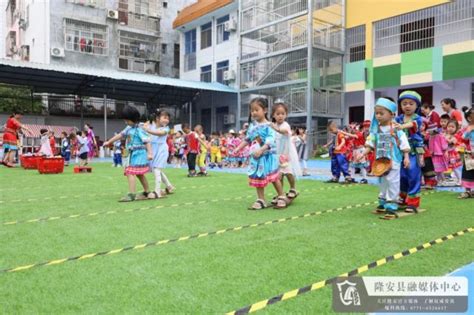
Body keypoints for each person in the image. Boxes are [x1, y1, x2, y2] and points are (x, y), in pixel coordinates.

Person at [233, 97, 287, 210]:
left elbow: (270, 140)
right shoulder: (252, 126)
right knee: (258, 177)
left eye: (256, 110)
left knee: (274, 177)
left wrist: (261, 150)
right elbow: (247, 139)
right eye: (252, 110)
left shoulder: (270, 125)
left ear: (265, 110)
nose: (254, 112)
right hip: (256, 157)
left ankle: (281, 196)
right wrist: (238, 148)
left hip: (268, 155)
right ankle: (261, 199)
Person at [362, 97, 410, 217]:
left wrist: (406, 157)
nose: (378, 116)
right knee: (382, 181)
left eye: (381, 113)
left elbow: (404, 143)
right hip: (380, 161)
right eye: (377, 113)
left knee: (392, 181)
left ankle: (392, 203)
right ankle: (382, 201)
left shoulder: (396, 129)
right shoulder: (375, 130)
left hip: (394, 160)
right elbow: (371, 144)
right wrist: (362, 153)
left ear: (392, 114)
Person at [103, 106, 152, 202]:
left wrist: (150, 153)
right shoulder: (129, 128)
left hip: (139, 153)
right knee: (139, 174)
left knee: (130, 172)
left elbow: (147, 141)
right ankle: (147, 191)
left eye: (127, 120)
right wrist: (109, 142)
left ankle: (132, 194)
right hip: (132, 154)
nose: (126, 122)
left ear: (133, 119)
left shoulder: (140, 129)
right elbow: (120, 135)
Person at [395, 91, 425, 213]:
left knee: (413, 174)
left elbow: (413, 124)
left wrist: (402, 127)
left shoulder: (418, 118)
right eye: (404, 103)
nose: (407, 106)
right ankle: (403, 198)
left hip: (414, 150)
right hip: (400, 151)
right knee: (401, 175)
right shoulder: (398, 118)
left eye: (411, 103)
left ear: (416, 106)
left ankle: (413, 202)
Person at [271, 101, 302, 203]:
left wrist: (276, 128)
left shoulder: (285, 125)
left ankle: (293, 188)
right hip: (277, 153)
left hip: (287, 153)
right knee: (279, 175)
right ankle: (281, 193)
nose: (280, 116)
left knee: (288, 172)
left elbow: (284, 131)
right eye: (278, 114)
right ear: (273, 115)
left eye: (282, 114)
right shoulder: (273, 125)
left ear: (286, 115)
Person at [143, 110, 174, 199]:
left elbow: (159, 133)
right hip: (153, 150)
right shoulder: (151, 125)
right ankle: (169, 186)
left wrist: (147, 129)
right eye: (164, 118)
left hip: (161, 150)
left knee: (156, 169)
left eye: (168, 119)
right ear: (157, 118)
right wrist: (146, 125)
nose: (166, 120)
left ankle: (157, 192)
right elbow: (146, 125)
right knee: (156, 169)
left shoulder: (166, 129)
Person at [459, 106, 474, 198]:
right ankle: (467, 190)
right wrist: (468, 131)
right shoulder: (467, 128)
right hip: (469, 153)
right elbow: (463, 138)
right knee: (468, 172)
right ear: (469, 118)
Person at [429, 114, 449, 185]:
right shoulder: (432, 137)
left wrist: (445, 150)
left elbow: (444, 145)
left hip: (439, 154)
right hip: (435, 154)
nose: (430, 132)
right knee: (437, 168)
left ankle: (442, 180)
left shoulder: (438, 136)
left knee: (439, 168)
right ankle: (440, 180)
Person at [444, 119, 463, 185]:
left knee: (456, 167)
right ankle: (459, 179)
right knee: (453, 168)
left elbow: (451, 141)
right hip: (449, 154)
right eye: (449, 126)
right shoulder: (446, 134)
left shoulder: (456, 135)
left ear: (456, 128)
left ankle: (460, 179)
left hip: (455, 154)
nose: (450, 128)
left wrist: (445, 138)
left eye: (453, 127)